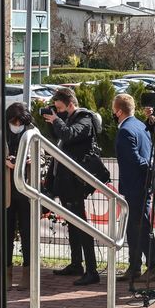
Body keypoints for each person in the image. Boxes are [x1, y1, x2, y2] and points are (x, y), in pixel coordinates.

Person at [43, 87, 102, 286]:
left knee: (81, 224)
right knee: (72, 223)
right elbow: (60, 137)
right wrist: (54, 122)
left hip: (76, 181)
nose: (57, 112)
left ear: (70, 104)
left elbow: (69, 135)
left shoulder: (84, 119)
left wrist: (57, 121)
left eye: (60, 108)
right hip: (65, 180)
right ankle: (77, 263)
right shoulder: (67, 118)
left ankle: (92, 270)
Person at [113, 93, 155, 286]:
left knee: (141, 226)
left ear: (118, 111)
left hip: (135, 185)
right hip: (142, 183)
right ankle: (135, 266)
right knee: (135, 227)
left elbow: (132, 157)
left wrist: (148, 166)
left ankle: (152, 266)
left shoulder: (125, 131)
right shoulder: (141, 126)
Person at [4, 102, 35, 290]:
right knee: (5, 233)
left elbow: (43, 154)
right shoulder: (0, 131)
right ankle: (6, 274)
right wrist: (5, 162)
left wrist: (32, 159)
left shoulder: (32, 130)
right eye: (14, 122)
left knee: (28, 233)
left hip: (26, 190)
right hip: (7, 190)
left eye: (20, 122)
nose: (17, 125)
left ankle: (28, 273)